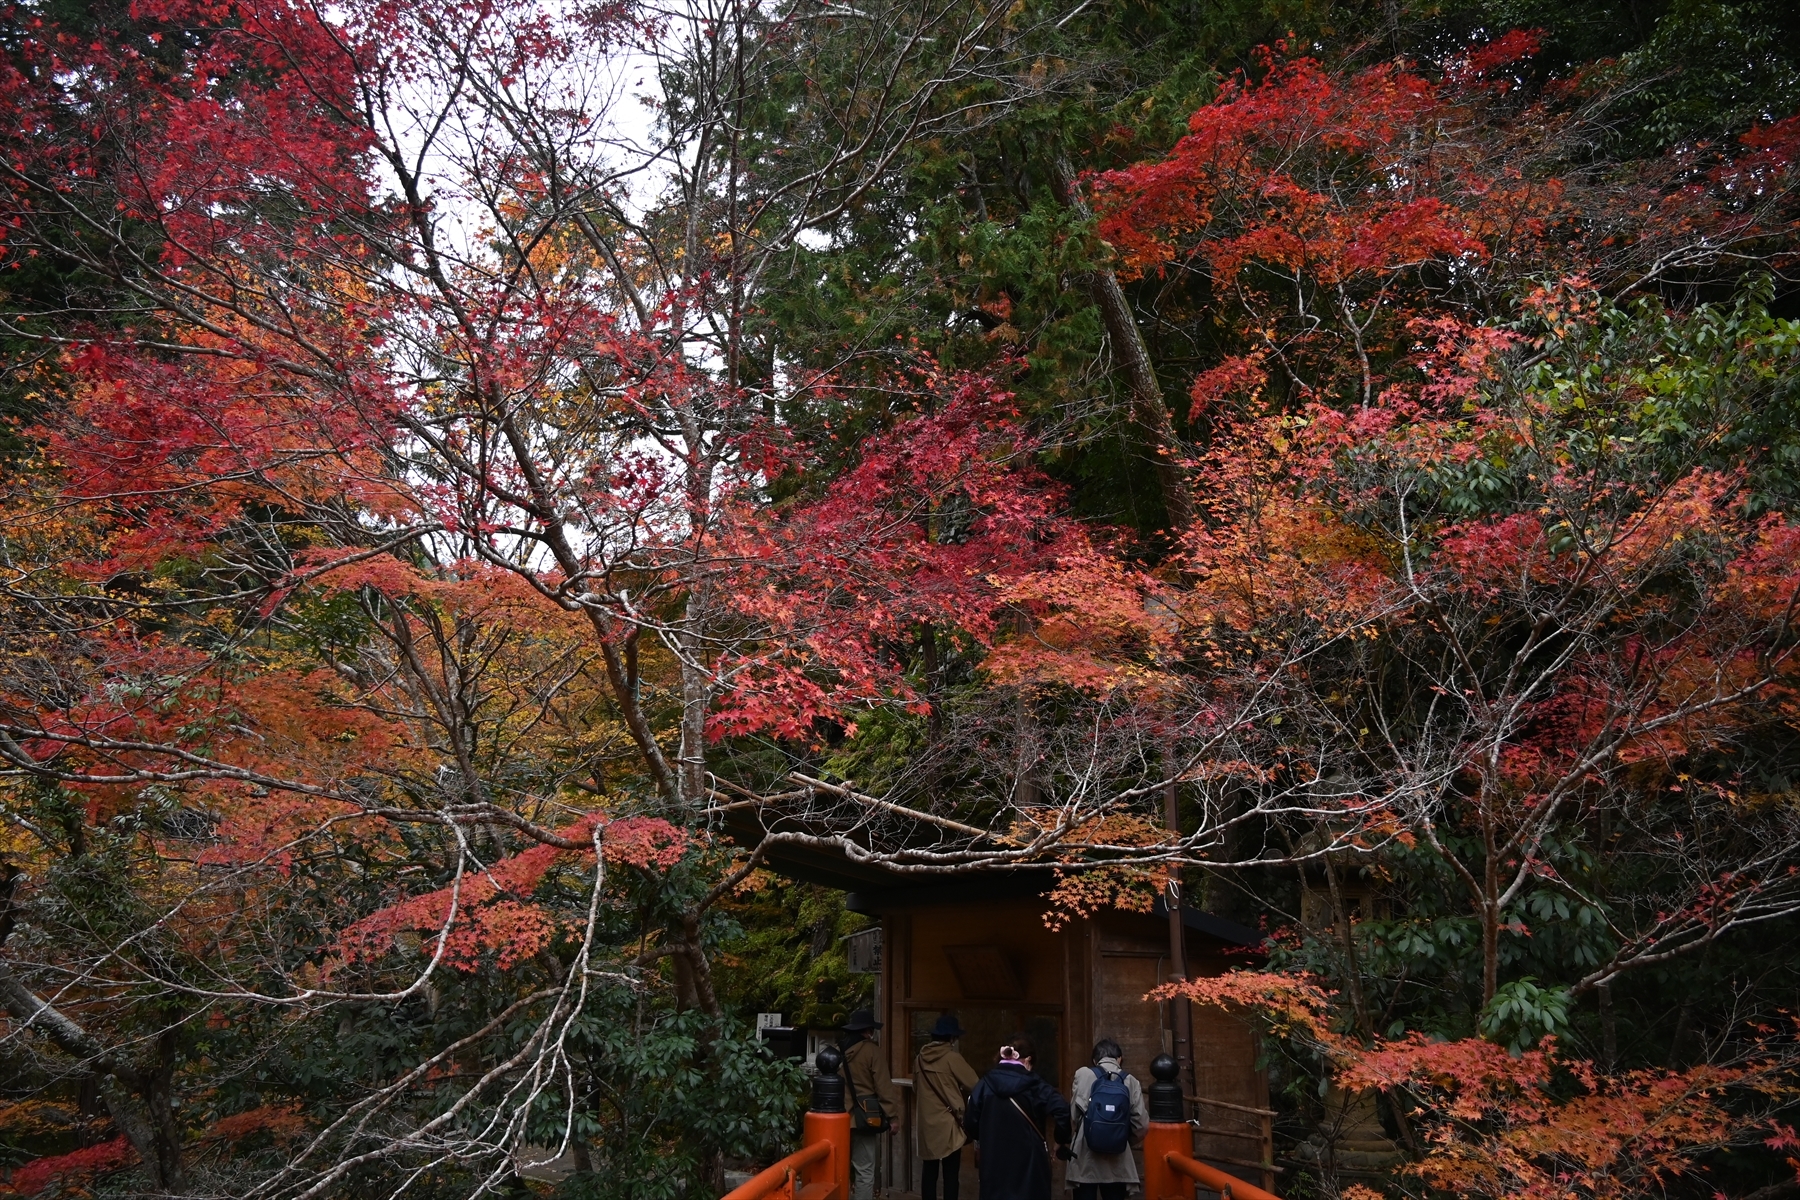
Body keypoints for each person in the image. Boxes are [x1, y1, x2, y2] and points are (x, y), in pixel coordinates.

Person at [962, 1033, 1071, 1200]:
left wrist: (986, 1135)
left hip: (993, 1165)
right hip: (1031, 1166)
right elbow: (1062, 1109)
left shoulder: (984, 1085)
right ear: (1027, 1060)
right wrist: (1060, 1139)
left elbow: (970, 1123)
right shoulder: (1036, 1086)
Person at [1067, 1038, 1149, 1200]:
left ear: (1094, 1060)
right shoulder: (1130, 1081)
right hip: (1118, 1157)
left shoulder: (1083, 1074)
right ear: (1119, 1059)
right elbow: (1142, 1125)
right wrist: (1120, 1138)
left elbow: (1074, 1116)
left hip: (1085, 1155)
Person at [914, 1014, 980, 1200]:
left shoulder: (919, 1059)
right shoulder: (952, 1058)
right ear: (951, 1037)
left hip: (927, 1125)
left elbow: (916, 1088)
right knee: (951, 1174)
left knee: (929, 1172)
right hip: (949, 1123)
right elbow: (975, 1084)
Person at [842, 1008, 899, 1200]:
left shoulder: (839, 1051)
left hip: (839, 1118)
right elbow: (883, 1086)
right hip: (865, 1118)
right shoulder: (872, 1051)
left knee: (838, 1167)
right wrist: (893, 1116)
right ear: (868, 1031)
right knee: (864, 1170)